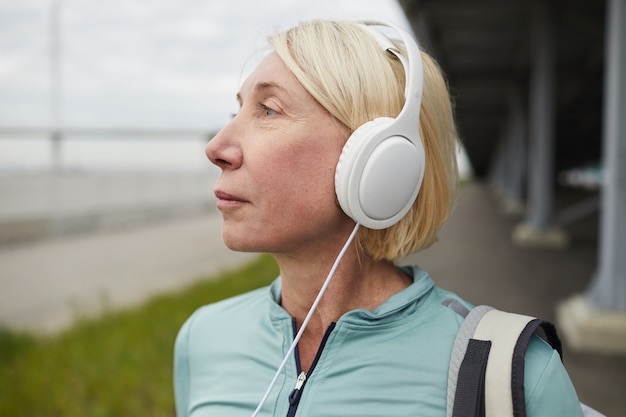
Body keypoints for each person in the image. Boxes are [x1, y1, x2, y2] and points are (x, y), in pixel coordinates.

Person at [174, 19, 584, 417]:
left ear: (378, 160)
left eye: (268, 110)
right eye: (239, 110)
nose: (216, 147)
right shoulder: (204, 338)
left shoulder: (515, 373)